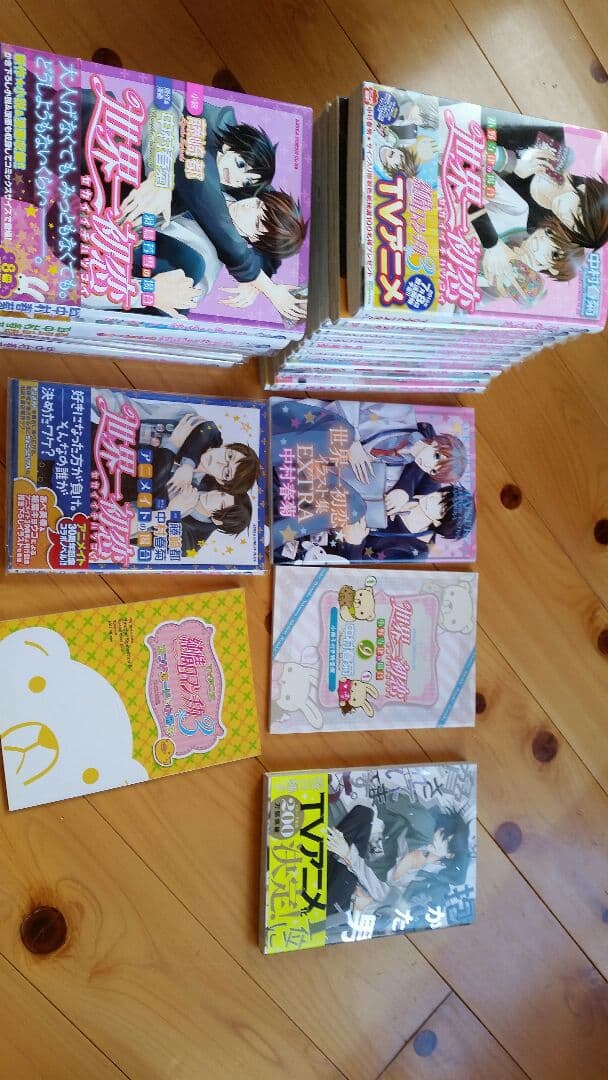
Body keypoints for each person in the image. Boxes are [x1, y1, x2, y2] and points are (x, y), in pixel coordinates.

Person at [116, 91, 308, 322]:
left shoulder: (208, 256)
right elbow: (203, 180)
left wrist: (259, 277)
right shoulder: (223, 140)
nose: (248, 206)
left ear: (253, 240)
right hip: (115, 150)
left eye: (257, 221)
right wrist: (263, 282)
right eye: (257, 203)